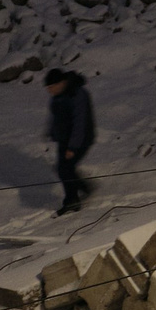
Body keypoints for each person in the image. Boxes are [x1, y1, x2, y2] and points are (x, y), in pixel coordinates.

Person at [45, 68, 95, 216]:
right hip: (64, 139)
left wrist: (73, 147)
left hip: (80, 139)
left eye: (51, 87)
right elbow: (56, 118)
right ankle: (84, 188)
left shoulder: (77, 94)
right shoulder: (57, 96)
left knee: (65, 169)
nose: (49, 91)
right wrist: (53, 133)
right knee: (63, 169)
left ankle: (72, 201)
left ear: (61, 83)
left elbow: (80, 122)